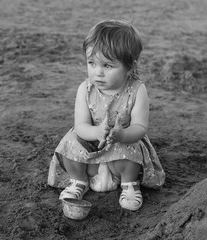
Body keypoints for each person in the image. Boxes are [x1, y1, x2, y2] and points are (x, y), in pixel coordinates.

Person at [47, 19, 165, 211]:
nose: (98, 73)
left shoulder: (136, 90)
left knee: (131, 148)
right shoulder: (85, 89)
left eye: (108, 66)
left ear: (130, 67)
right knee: (69, 143)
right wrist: (96, 132)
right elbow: (80, 126)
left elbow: (140, 127)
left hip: (120, 150)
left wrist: (123, 135)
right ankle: (79, 180)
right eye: (91, 63)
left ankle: (129, 184)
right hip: (91, 144)